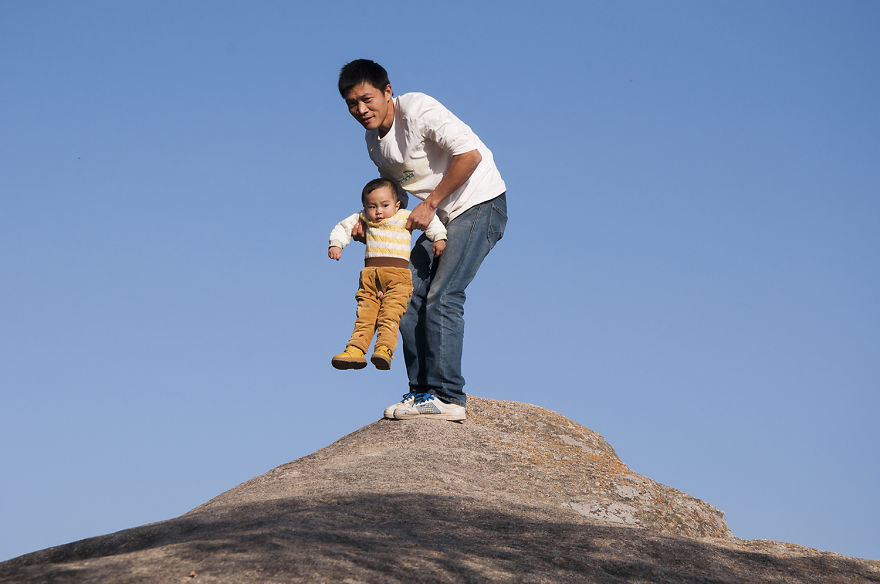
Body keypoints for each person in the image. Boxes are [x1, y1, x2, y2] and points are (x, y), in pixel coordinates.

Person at [338, 59, 508, 422]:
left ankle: (449, 397)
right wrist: (370, 221)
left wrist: (430, 203)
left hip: (480, 202)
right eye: (352, 103)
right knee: (404, 293)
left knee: (443, 294)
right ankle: (421, 393)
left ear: (387, 92)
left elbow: (470, 156)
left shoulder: (417, 110)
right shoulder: (374, 143)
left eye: (367, 99)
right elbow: (393, 196)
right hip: (441, 217)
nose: (361, 110)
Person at [329, 177, 447, 371]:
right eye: (372, 206)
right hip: (370, 279)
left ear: (397, 204)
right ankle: (355, 350)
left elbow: (431, 221)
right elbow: (344, 226)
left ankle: (384, 349)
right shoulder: (363, 218)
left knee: (390, 317)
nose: (378, 211)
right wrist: (336, 243)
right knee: (365, 316)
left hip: (398, 280)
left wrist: (439, 238)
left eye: (385, 205)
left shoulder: (404, 217)